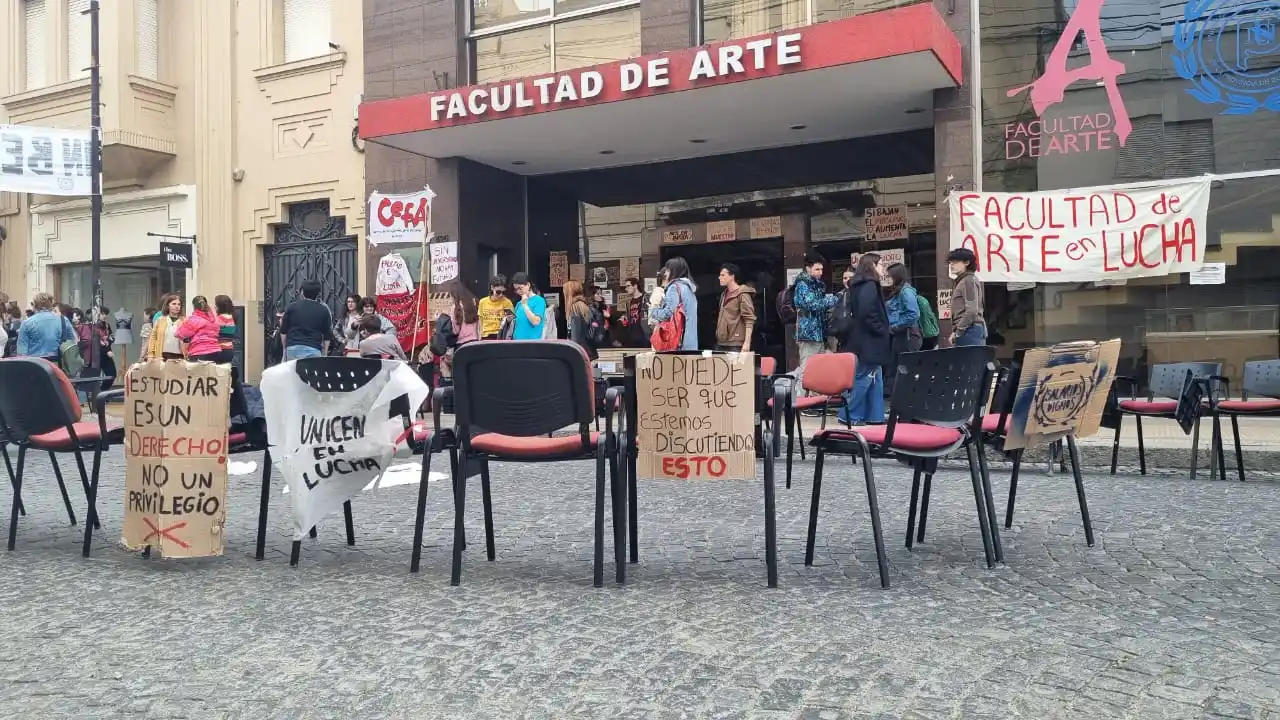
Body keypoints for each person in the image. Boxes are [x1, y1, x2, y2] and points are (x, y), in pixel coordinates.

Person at [837, 253, 892, 425]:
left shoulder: (858, 284)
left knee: (876, 377)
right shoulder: (869, 284)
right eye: (880, 264)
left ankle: (874, 415)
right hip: (870, 338)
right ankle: (849, 414)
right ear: (872, 265)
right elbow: (866, 311)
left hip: (863, 337)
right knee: (865, 376)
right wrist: (881, 329)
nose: (883, 268)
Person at [792, 253, 838, 397]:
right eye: (817, 269)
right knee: (806, 368)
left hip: (819, 332)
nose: (820, 273)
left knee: (818, 368)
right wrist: (832, 300)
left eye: (821, 269)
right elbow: (812, 304)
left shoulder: (818, 285)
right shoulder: (802, 285)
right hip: (808, 333)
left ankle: (814, 398)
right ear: (808, 268)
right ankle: (800, 400)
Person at [883, 263, 921, 397]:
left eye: (890, 276)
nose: (888, 278)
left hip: (907, 334)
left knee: (905, 369)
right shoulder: (899, 291)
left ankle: (907, 400)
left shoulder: (906, 291)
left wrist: (895, 326)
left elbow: (913, 314)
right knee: (897, 368)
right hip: (900, 334)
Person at [280, 279, 337, 360]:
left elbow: (283, 331)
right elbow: (327, 335)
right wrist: (325, 354)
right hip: (313, 349)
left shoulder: (291, 307)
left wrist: (284, 350)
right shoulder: (323, 310)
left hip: (293, 348)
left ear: (302, 292)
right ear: (318, 294)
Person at [651, 257, 699, 351]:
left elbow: (668, 313)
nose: (666, 273)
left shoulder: (674, 287)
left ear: (673, 271)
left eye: (668, 270)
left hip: (677, 342)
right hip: (690, 342)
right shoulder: (690, 289)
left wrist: (653, 311)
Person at [17, 292, 75, 363]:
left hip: (35, 363)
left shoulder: (27, 323)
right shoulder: (63, 320)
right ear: (51, 304)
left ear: (35, 305)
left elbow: (22, 351)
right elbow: (73, 342)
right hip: (58, 362)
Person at [947, 248, 987, 347]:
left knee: (970, 361)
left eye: (955, 262)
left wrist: (958, 331)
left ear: (967, 262)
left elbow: (972, 310)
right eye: (950, 262)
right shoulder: (963, 281)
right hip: (968, 329)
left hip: (970, 330)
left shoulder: (968, 280)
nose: (951, 265)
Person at [715, 262, 755, 353]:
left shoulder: (742, 294)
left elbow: (749, 319)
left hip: (736, 344)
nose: (719, 277)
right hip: (721, 343)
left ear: (732, 276)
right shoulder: (723, 294)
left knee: (737, 367)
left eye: (723, 275)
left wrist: (747, 343)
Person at [176, 296, 226, 361]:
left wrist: (181, 324)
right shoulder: (215, 319)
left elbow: (179, 334)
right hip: (216, 352)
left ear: (194, 306)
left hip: (200, 352)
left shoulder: (194, 319)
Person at [145, 294, 187, 360]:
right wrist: (150, 354)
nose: (177, 306)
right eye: (174, 304)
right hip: (162, 355)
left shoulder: (185, 321)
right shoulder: (160, 320)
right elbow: (153, 338)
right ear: (168, 306)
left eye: (179, 304)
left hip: (179, 356)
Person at [563, 280, 597, 359]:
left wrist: (572, 354)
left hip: (579, 353)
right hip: (587, 351)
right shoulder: (582, 306)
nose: (564, 294)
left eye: (565, 292)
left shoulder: (575, 308)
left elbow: (575, 335)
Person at [510, 271, 547, 340]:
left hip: (531, 342)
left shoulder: (539, 301)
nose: (518, 291)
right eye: (516, 289)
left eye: (520, 288)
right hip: (517, 342)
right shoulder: (519, 303)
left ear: (528, 285)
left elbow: (536, 321)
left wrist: (525, 305)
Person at [617, 276, 651, 347]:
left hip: (644, 334)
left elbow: (650, 314)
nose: (626, 289)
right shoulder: (629, 301)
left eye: (628, 286)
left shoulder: (645, 298)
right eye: (625, 287)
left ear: (635, 285)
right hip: (632, 334)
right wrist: (624, 317)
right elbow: (630, 315)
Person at [478, 274, 513, 340]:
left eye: (503, 292)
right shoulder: (483, 302)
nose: (501, 295)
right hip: (486, 335)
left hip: (500, 334)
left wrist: (508, 318)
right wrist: (479, 337)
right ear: (492, 288)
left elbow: (511, 322)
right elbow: (480, 322)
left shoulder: (507, 302)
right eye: (498, 292)